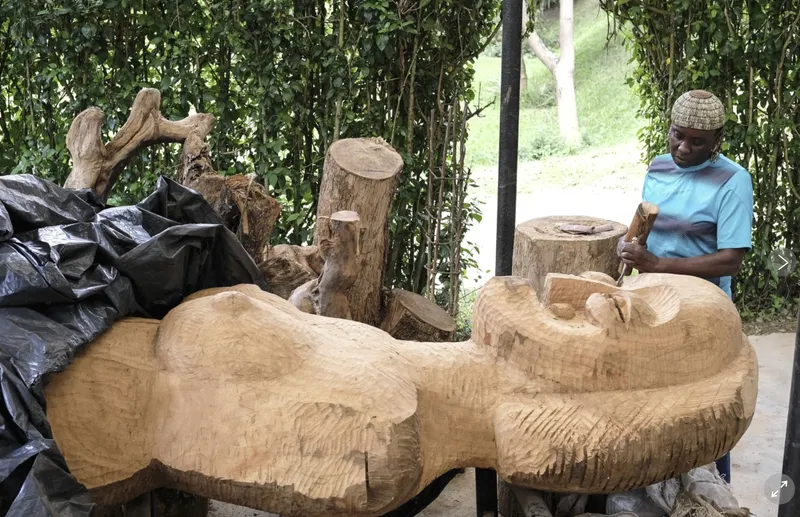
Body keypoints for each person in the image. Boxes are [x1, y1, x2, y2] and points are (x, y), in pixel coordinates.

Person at [618, 89, 754, 482]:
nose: (683, 147)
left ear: (717, 142)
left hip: (703, 311)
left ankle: (715, 489)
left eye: (697, 142)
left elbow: (732, 259)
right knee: (657, 405)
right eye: (678, 135)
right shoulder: (658, 168)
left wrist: (661, 264)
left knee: (706, 410)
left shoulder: (732, 180)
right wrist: (629, 247)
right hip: (653, 304)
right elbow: (645, 226)